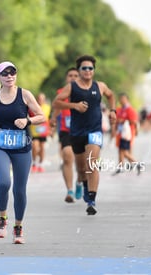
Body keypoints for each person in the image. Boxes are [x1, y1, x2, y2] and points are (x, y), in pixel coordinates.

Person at [0, 61, 45, 244]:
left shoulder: (24, 94)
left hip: (21, 146)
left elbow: (41, 116)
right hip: (0, 144)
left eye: (13, 72)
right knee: (3, 183)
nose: (9, 76)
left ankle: (18, 227)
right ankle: (2, 218)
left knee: (19, 189)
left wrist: (28, 121)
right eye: (5, 73)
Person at [52, 55, 116, 216]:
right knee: (81, 169)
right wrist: (74, 105)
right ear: (79, 71)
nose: (87, 71)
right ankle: (84, 185)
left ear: (93, 71)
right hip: (77, 132)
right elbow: (56, 102)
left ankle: (92, 200)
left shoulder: (99, 86)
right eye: (84, 68)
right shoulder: (72, 87)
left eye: (90, 68)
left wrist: (113, 111)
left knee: (92, 163)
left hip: (95, 131)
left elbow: (111, 95)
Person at [49, 67, 79, 203]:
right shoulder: (61, 92)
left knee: (83, 164)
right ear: (66, 78)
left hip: (83, 130)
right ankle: (70, 190)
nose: (72, 78)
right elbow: (58, 107)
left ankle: (80, 182)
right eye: (70, 75)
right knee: (67, 156)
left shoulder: (86, 92)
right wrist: (53, 119)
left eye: (75, 75)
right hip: (66, 130)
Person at [113, 93, 141, 175]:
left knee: (125, 152)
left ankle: (136, 164)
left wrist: (124, 120)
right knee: (121, 150)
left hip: (127, 134)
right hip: (120, 134)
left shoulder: (130, 110)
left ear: (127, 100)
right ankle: (120, 167)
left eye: (123, 99)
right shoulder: (119, 110)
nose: (122, 100)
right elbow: (116, 120)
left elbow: (134, 122)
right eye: (121, 99)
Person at [30, 92, 51, 173]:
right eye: (39, 99)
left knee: (42, 148)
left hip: (44, 131)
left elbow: (48, 118)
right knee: (35, 147)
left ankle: (41, 164)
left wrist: (50, 130)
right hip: (35, 131)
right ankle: (34, 163)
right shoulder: (32, 107)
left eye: (42, 99)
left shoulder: (47, 107)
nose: (41, 100)